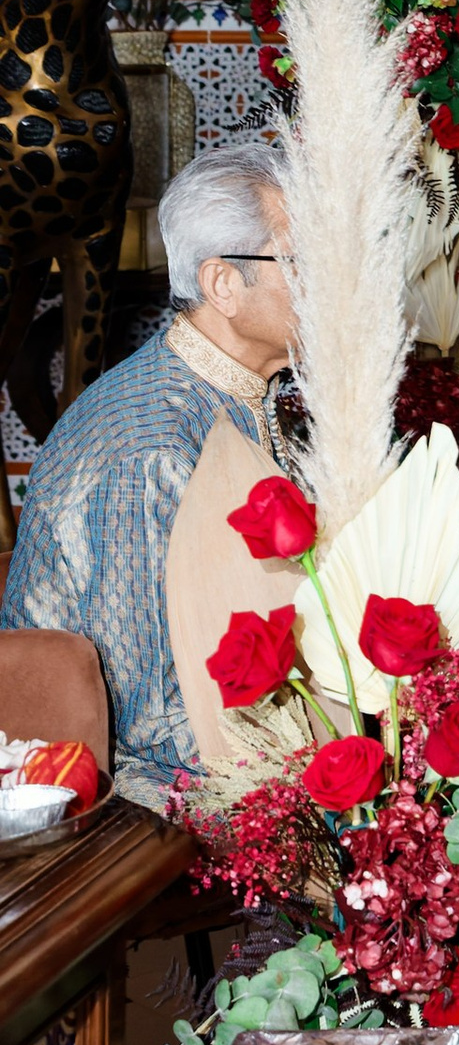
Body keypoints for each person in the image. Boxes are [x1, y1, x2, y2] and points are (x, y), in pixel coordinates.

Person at [2, 137, 297, 808]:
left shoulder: (247, 392)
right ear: (223, 284)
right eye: (304, 260)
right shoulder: (149, 446)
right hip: (134, 787)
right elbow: (153, 722)